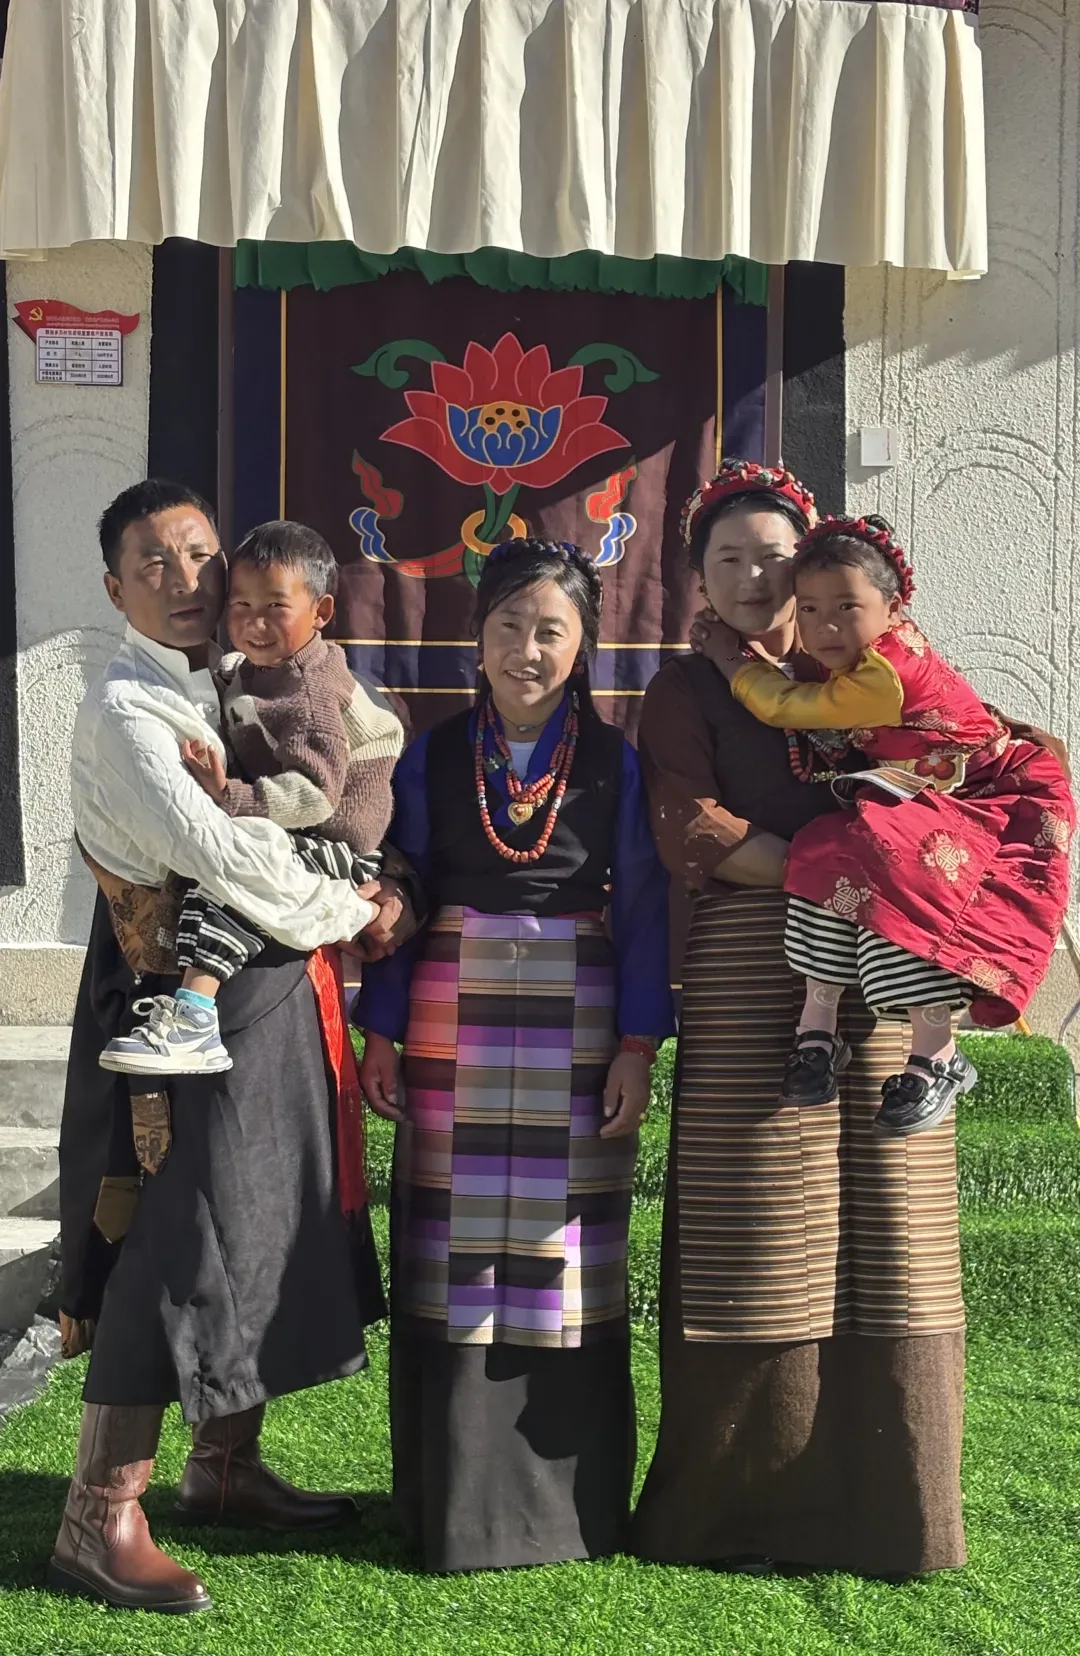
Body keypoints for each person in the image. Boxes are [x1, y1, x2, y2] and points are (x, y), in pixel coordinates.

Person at [630, 458, 1068, 1579]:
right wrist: (841, 871)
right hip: (749, 968)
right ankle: (739, 1516)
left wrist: (921, 857)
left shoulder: (874, 663)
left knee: (893, 1219)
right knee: (758, 1224)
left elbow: (982, 758)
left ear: (815, 567)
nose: (752, 578)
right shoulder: (686, 690)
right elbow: (694, 825)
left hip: (886, 962)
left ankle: (894, 1517)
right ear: (697, 577)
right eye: (727, 558)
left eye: (773, 558)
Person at [50, 479, 412, 1615]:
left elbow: (347, 784)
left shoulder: (231, 677)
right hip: (178, 1009)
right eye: (154, 562)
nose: (187, 579)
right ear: (114, 588)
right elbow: (226, 856)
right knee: (174, 1237)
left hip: (274, 996)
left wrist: (379, 882)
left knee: (261, 1229)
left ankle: (223, 1465)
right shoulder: (129, 707)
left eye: (200, 554)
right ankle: (98, 1513)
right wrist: (357, 905)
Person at [354, 537, 674, 1573]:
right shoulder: (431, 756)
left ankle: (560, 1510)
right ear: (477, 636)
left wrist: (636, 1045)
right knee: (450, 1242)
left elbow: (645, 908)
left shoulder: (618, 761)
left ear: (583, 647)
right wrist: (382, 1030)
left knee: (560, 1246)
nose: (526, 650)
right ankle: (450, 1502)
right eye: (509, 626)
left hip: (580, 1016)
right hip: (451, 1009)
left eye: (550, 631)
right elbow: (401, 890)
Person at [697, 511, 1074, 1134]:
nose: (825, 626)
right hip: (920, 793)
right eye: (810, 609)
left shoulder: (883, 672)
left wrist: (730, 658)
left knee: (907, 868)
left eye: (846, 607)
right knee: (822, 847)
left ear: (893, 608)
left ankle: (937, 1053)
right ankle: (816, 1030)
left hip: (984, 797)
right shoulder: (856, 656)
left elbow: (785, 706)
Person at [98, 518, 404, 1076]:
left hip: (339, 844)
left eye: (275, 607)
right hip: (301, 834)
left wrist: (230, 795)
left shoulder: (310, 691)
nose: (254, 623)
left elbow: (316, 795)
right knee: (229, 871)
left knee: (236, 877)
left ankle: (195, 1015)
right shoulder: (250, 669)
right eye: (240, 605)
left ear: (322, 612)